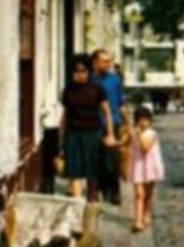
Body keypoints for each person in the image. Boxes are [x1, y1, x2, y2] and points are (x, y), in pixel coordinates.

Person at [59, 56, 115, 200]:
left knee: (93, 171)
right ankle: (77, 203)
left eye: (83, 71)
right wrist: (61, 137)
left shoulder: (96, 89)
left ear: (89, 71)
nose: (79, 74)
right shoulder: (68, 90)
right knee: (74, 171)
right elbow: (65, 114)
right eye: (76, 71)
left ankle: (92, 198)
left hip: (93, 133)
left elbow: (106, 112)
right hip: (73, 133)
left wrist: (110, 134)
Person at [91, 48, 128, 206]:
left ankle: (115, 192)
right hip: (94, 123)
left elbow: (121, 103)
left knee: (114, 159)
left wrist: (128, 124)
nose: (108, 64)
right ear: (95, 62)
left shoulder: (115, 80)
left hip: (114, 121)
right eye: (104, 61)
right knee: (97, 158)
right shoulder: (90, 80)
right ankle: (98, 190)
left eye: (109, 61)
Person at [129, 105, 165, 232]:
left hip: (150, 166)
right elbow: (125, 143)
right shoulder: (134, 132)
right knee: (139, 195)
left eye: (146, 120)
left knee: (148, 194)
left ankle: (146, 214)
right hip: (138, 166)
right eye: (140, 119)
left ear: (150, 121)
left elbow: (145, 148)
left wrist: (138, 135)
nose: (143, 123)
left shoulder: (152, 134)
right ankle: (138, 220)